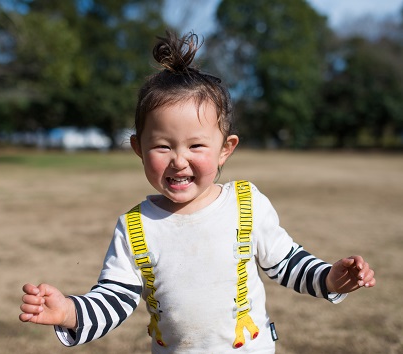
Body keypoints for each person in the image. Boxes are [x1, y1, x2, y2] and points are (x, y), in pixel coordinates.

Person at [19, 31, 376, 353]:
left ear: (226, 149)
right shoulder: (136, 227)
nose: (179, 161)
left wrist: (330, 278)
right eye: (162, 146)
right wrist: (69, 312)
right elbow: (116, 298)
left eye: (196, 146)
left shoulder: (245, 205)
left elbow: (286, 263)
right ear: (138, 149)